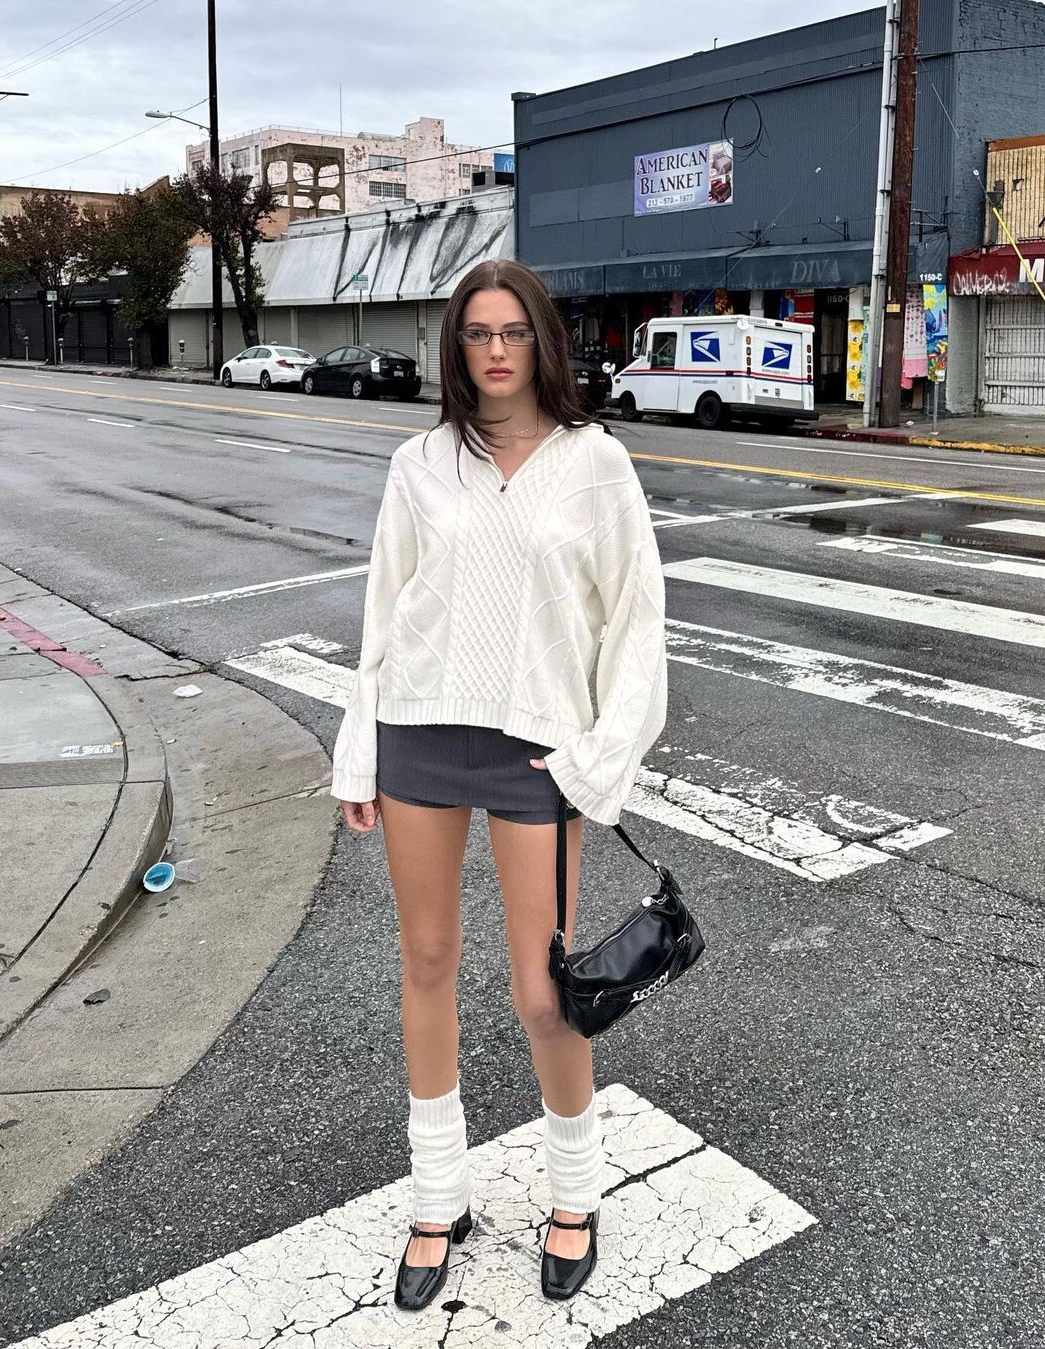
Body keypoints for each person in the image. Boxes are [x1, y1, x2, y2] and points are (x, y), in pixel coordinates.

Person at [329, 259, 668, 1311]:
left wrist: (596, 757)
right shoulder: (420, 463)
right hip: (421, 730)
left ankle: (576, 1190)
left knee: (542, 988)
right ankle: (439, 1197)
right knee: (426, 958)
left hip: (537, 749)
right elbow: (385, 609)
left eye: (513, 331)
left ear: (543, 342)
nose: (496, 350)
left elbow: (637, 619)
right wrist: (359, 748)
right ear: (456, 348)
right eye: (477, 333)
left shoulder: (595, 463)